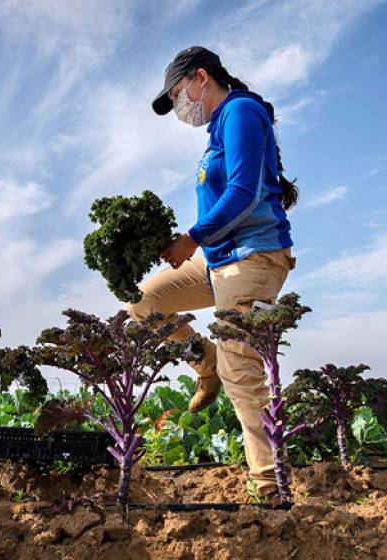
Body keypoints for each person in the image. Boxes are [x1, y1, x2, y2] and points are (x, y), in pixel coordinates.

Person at [126, 45, 299, 502]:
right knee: (143, 303)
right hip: (219, 256)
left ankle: (270, 487)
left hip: (252, 257)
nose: (180, 108)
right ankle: (204, 362)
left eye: (179, 95)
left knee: (241, 368)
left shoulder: (241, 112)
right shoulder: (220, 127)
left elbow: (243, 192)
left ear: (201, 78)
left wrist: (192, 237)